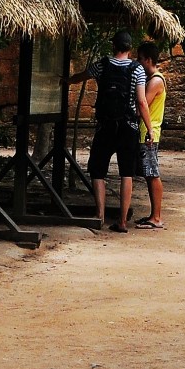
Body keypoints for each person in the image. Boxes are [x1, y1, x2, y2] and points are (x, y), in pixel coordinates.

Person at [75, 30, 145, 232]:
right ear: (130, 48)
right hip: (128, 126)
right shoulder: (137, 69)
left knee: (97, 171)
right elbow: (141, 101)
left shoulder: (101, 65)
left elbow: (82, 75)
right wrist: (148, 127)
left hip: (105, 125)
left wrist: (68, 81)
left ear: (113, 46)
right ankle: (122, 222)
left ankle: (100, 215)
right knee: (126, 173)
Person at [134, 41, 167, 229]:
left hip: (149, 133)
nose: (138, 63)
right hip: (148, 132)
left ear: (147, 59)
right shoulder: (154, 79)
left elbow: (142, 105)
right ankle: (153, 215)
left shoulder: (155, 81)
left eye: (140, 59)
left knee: (153, 173)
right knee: (149, 174)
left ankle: (156, 217)